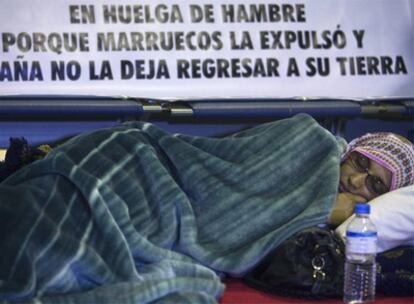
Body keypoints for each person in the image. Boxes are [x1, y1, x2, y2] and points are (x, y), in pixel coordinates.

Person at [328, 132, 414, 226]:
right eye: (360, 162)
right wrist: (326, 210)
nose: (354, 181)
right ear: (348, 153)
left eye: (376, 184)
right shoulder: (318, 154)